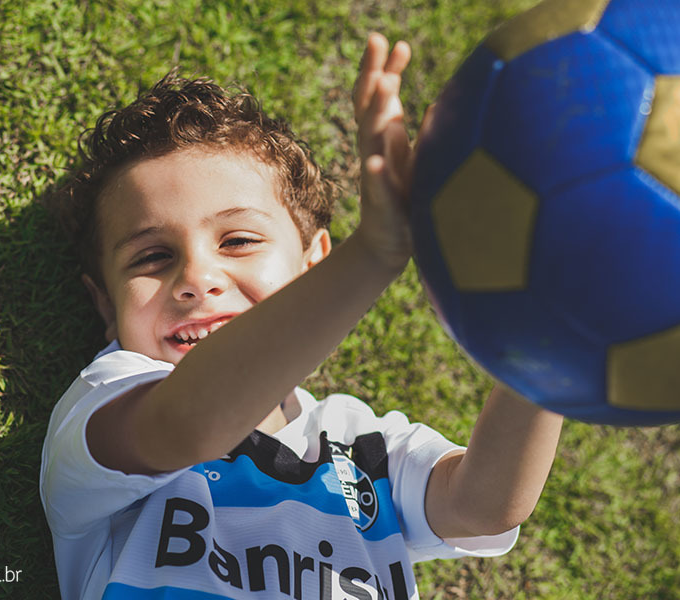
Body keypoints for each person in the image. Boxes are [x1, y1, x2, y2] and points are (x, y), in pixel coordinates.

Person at [40, 33, 563, 600]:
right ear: (105, 305)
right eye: (152, 257)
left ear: (315, 264)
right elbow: (189, 425)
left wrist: (543, 330)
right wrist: (376, 255)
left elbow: (485, 505)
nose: (196, 278)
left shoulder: (367, 444)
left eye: (237, 240)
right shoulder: (107, 399)